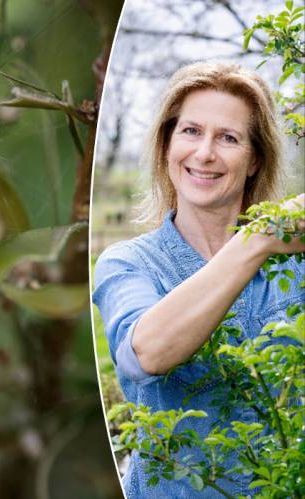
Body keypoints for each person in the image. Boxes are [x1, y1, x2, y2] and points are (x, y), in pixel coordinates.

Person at [92, 61, 305, 498]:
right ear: (166, 145)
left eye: (228, 138)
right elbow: (144, 353)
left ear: (254, 161)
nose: (205, 153)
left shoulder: (294, 268)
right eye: (190, 131)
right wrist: (257, 240)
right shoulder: (129, 263)